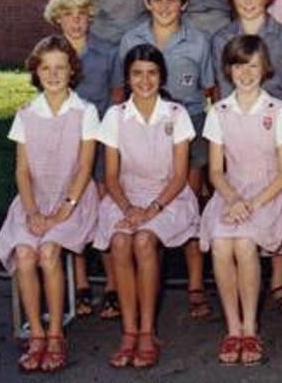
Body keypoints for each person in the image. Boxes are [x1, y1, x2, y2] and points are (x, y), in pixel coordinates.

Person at [113, 0, 216, 321]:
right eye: (157, 0)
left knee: (187, 206)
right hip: (144, 134)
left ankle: (196, 285)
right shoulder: (132, 38)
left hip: (188, 129)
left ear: (184, 4)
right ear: (146, 3)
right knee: (146, 223)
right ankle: (148, 285)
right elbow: (120, 89)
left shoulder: (198, 41)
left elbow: (209, 91)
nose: (165, 6)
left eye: (172, 0)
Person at [0, 36, 101, 372]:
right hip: (34, 200)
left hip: (75, 198)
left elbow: (84, 166)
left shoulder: (85, 111)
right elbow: (22, 169)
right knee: (26, 253)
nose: (53, 74)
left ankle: (56, 335)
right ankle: (36, 335)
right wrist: (32, 212)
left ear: (72, 71)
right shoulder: (26, 113)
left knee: (49, 250)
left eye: (60, 67)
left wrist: (65, 208)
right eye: (45, 68)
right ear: (36, 72)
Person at [210, 0, 282, 314]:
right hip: (235, 125)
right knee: (239, 216)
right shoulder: (221, 38)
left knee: (276, 201)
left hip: (276, 125)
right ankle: (240, 287)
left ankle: (278, 283)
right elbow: (218, 88)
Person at [94, 44, 201, 368]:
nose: (144, 80)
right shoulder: (115, 115)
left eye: (152, 73)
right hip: (126, 196)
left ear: (161, 76)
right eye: (137, 74)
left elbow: (181, 175)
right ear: (127, 78)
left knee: (143, 240)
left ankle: (146, 332)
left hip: (169, 197)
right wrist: (128, 209)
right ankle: (128, 333)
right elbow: (111, 176)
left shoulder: (176, 115)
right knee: (121, 240)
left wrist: (152, 209)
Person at [200, 35, 282, 366]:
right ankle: (232, 329)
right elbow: (215, 171)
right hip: (231, 193)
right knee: (220, 243)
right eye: (239, 65)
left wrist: (252, 204)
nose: (246, 73)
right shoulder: (219, 111)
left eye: (253, 65)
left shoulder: (279, 110)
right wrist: (233, 200)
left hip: (270, 194)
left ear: (265, 68)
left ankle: (250, 327)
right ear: (229, 69)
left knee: (244, 243)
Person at [42, 0, 121, 319]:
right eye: (67, 15)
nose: (75, 22)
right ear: (56, 18)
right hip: (62, 146)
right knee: (67, 206)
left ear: (89, 16)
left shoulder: (107, 51)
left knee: (103, 208)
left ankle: (114, 285)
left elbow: (117, 97)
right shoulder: (49, 53)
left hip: (101, 142)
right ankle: (82, 283)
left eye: (80, 14)